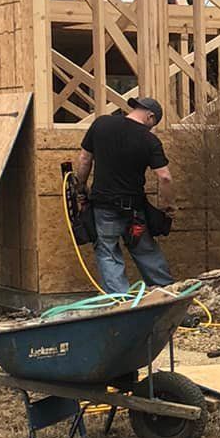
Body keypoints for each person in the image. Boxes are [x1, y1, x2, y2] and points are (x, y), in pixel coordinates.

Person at [74, 95, 175, 294]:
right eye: (153, 124)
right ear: (151, 117)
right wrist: (168, 206)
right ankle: (169, 296)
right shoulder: (149, 139)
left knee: (108, 253)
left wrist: (80, 187)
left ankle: (121, 305)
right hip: (134, 212)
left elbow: (85, 159)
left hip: (103, 208)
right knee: (146, 252)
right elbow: (165, 177)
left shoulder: (101, 124)